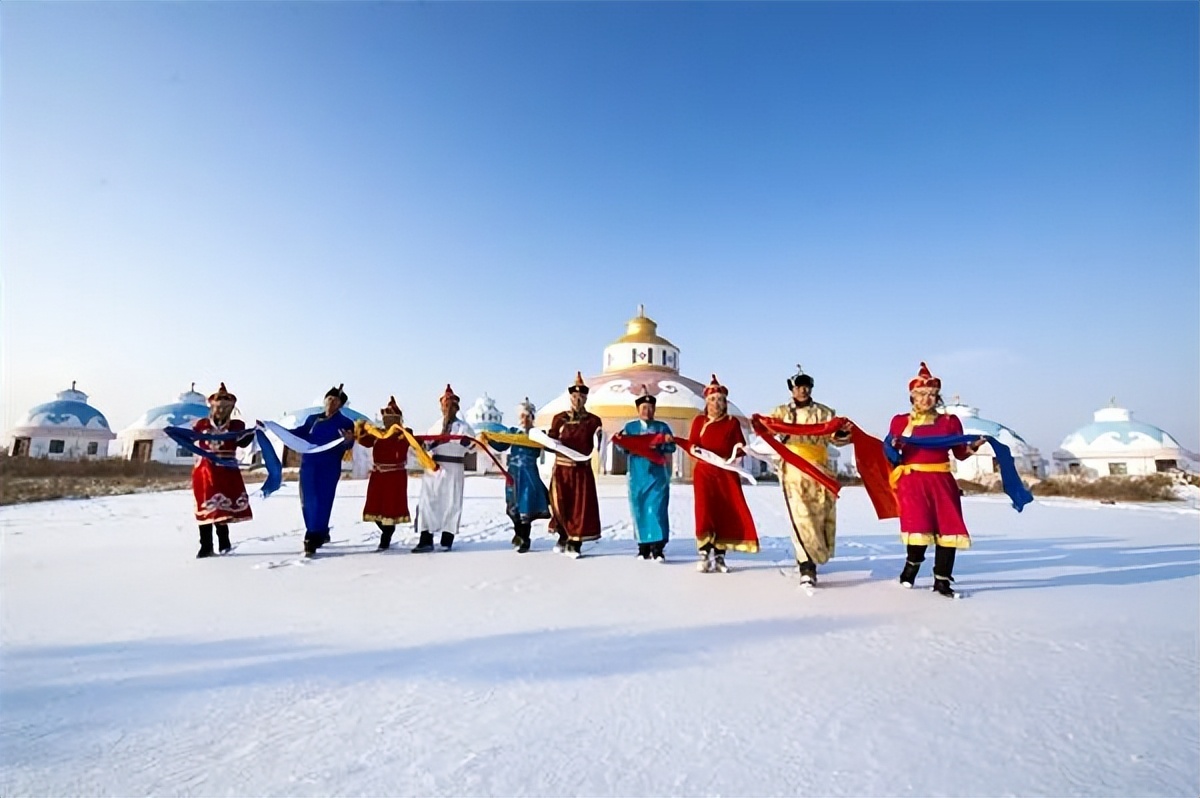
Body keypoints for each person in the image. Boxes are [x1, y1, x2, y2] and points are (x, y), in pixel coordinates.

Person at [889, 362, 986, 598]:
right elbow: (892, 455)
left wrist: (972, 447)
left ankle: (942, 580)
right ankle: (911, 568)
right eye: (922, 394)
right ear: (912, 396)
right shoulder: (900, 422)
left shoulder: (949, 422)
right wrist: (892, 447)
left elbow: (960, 453)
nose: (927, 399)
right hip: (913, 481)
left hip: (942, 481)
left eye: (932, 394)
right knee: (918, 526)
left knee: (948, 529)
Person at [767, 365, 853, 586]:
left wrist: (842, 432)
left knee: (820, 514)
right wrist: (763, 426)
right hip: (793, 470)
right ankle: (806, 563)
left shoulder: (824, 413)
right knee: (800, 516)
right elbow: (768, 431)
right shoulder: (781, 413)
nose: (803, 391)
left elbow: (836, 438)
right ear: (792, 389)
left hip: (820, 470)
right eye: (798, 387)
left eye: (806, 387)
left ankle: (816, 553)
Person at [688, 375, 758, 573]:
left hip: (726, 473)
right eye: (713, 400)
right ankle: (704, 553)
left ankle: (720, 555)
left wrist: (735, 455)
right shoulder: (699, 421)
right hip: (704, 473)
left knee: (725, 512)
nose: (716, 403)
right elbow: (692, 444)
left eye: (720, 400)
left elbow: (740, 446)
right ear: (706, 402)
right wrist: (695, 451)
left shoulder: (731, 422)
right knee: (704, 511)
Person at [290, 384, 357, 556]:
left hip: (329, 465)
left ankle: (314, 535)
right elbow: (300, 433)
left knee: (323, 499)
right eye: (329, 398)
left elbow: (348, 444)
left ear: (341, 404)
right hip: (309, 464)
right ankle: (316, 530)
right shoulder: (312, 419)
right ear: (324, 400)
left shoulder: (345, 422)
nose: (331, 402)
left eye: (336, 400)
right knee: (307, 499)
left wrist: (349, 440)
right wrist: (276, 429)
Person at [191, 383, 254, 558]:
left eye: (225, 408)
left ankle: (224, 543)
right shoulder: (201, 424)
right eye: (218, 407)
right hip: (204, 471)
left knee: (222, 507)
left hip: (226, 471)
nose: (221, 411)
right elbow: (191, 440)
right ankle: (206, 546)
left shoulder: (236, 426)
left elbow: (242, 442)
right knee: (206, 507)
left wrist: (253, 432)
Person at [413, 385, 476, 553]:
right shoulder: (434, 426)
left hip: (453, 468)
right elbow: (427, 445)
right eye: (444, 405)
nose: (447, 409)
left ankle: (447, 540)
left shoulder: (464, 427)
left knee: (451, 502)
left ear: (456, 408)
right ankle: (425, 539)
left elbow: (473, 447)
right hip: (434, 469)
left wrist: (462, 441)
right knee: (428, 502)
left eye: (450, 406)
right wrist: (423, 443)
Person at [547, 372, 604, 558]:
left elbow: (598, 442)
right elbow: (552, 440)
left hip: (581, 470)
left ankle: (575, 543)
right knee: (560, 504)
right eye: (574, 396)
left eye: (581, 397)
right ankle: (563, 536)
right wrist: (546, 442)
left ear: (586, 398)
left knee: (580, 507)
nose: (577, 400)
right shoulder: (559, 418)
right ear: (570, 397)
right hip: (561, 469)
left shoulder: (593, 420)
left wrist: (599, 437)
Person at [486, 397, 551, 554]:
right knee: (514, 505)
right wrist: (488, 438)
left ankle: (524, 538)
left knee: (526, 505)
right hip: (514, 474)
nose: (524, 419)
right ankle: (518, 534)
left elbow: (549, 445)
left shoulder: (538, 435)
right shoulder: (513, 433)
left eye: (527, 416)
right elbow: (501, 445)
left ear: (532, 417)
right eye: (522, 416)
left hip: (529, 474)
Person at [619, 385, 676, 561]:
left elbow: (670, 448)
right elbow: (622, 447)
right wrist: (623, 443)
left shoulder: (662, 427)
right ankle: (643, 546)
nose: (647, 411)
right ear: (638, 409)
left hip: (657, 476)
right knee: (640, 509)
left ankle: (657, 547)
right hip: (637, 476)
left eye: (650, 408)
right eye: (644, 407)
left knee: (657, 510)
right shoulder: (630, 428)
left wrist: (666, 442)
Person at [357, 396, 412, 551]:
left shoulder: (404, 434)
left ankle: (386, 536)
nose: (388, 421)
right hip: (378, 476)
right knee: (375, 507)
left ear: (398, 419)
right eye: (386, 418)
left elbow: (416, 443)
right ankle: (387, 530)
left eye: (391, 418)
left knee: (391, 508)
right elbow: (364, 441)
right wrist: (360, 428)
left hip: (395, 476)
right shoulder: (377, 434)